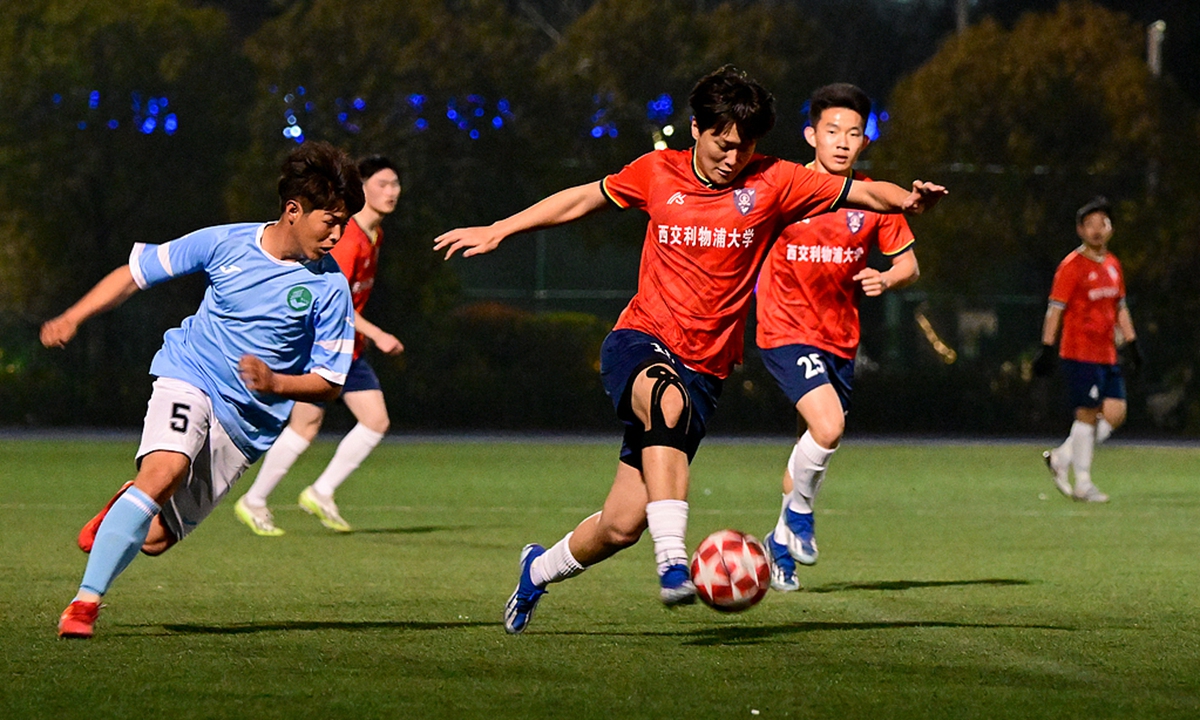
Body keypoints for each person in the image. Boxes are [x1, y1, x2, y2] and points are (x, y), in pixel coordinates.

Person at [433, 65, 946, 634]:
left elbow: (867, 191)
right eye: (724, 144)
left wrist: (911, 201)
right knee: (664, 399)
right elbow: (582, 199)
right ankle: (673, 560)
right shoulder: (657, 173)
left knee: (621, 525)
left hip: (707, 367)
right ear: (696, 129)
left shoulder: (775, 181)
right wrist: (501, 228)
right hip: (642, 338)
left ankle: (538, 568)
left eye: (745, 146)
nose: (734, 156)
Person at [42, 141, 362, 638]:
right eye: (331, 221)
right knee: (165, 470)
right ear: (293, 210)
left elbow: (329, 383)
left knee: (153, 537)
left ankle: (122, 506)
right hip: (190, 373)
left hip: (248, 424)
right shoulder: (224, 243)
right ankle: (84, 605)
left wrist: (276, 382)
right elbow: (134, 274)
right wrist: (73, 315)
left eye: (345, 224)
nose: (339, 235)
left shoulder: (330, 287)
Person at [754, 83, 921, 592]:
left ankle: (779, 540)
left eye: (854, 133)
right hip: (783, 329)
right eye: (832, 131)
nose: (843, 141)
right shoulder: (782, 187)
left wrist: (886, 278)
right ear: (812, 135)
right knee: (828, 427)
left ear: (864, 142)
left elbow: (909, 265)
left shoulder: (870, 200)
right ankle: (800, 518)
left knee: (816, 443)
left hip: (839, 339)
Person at [235, 155, 405, 535]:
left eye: (395, 184)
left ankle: (320, 491)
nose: (391, 191)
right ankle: (255, 499)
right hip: (323, 345)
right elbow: (331, 298)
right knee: (307, 423)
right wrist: (377, 332)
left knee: (374, 420)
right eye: (383, 183)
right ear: (360, 189)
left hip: (349, 347)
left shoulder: (374, 234)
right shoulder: (346, 241)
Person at [1034, 196, 1140, 503]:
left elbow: (1120, 307)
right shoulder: (1071, 266)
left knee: (1116, 413)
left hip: (1107, 353)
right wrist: (1046, 348)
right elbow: (1055, 310)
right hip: (1079, 352)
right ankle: (1082, 483)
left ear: (1111, 228)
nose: (1096, 230)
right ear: (1080, 230)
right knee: (1087, 414)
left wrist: (1132, 344)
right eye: (1089, 224)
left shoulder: (1112, 264)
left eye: (1102, 223)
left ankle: (1062, 457)